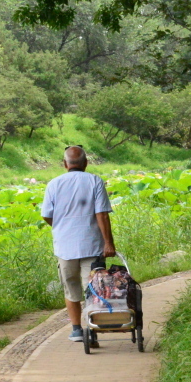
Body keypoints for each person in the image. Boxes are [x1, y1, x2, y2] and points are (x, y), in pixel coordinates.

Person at [40, 146, 116, 345]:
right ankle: (93, 329)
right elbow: (102, 214)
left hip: (65, 248)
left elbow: (47, 215)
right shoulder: (94, 181)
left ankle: (76, 329)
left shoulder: (53, 184)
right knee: (94, 289)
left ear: (65, 164)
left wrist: (61, 227)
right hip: (91, 245)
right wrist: (108, 243)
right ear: (85, 163)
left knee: (71, 288)